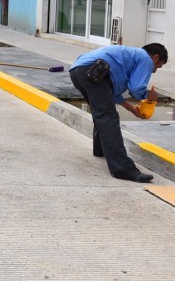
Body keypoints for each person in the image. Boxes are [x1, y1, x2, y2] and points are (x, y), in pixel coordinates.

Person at [69, 43, 168, 183]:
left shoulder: (129, 56)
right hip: (94, 71)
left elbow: (112, 95)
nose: (154, 71)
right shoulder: (146, 59)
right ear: (156, 57)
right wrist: (149, 95)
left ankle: (101, 150)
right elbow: (136, 88)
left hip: (79, 71)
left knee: (102, 112)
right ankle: (122, 167)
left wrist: (132, 109)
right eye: (157, 67)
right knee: (108, 117)